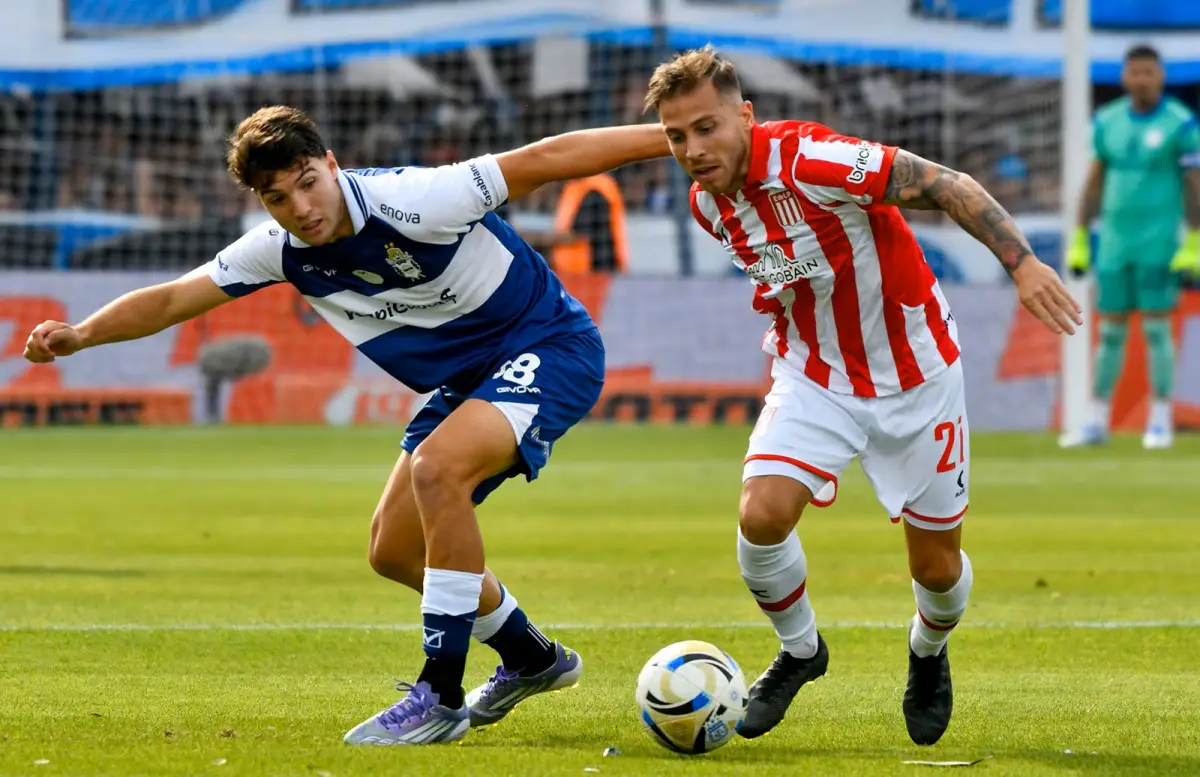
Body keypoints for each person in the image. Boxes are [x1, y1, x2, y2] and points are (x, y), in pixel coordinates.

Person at [22, 105, 669, 746]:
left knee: (437, 469)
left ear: (331, 166)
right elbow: (172, 297)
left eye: (308, 181)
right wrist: (81, 333)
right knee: (393, 548)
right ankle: (532, 657)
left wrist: (673, 138)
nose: (300, 206)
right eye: (278, 197)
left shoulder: (418, 198)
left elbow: (544, 160)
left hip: (550, 344)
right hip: (470, 377)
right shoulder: (280, 250)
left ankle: (439, 695)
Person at [643, 46, 1080, 746]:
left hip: (918, 375)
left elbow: (944, 182)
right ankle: (802, 650)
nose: (693, 149)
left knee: (935, 570)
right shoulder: (706, 205)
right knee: (761, 515)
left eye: (706, 127)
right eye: (676, 136)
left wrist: (1022, 264)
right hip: (815, 373)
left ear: (744, 115)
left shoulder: (815, 159)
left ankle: (928, 654)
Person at [1062, 43, 1200, 450]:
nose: (1142, 80)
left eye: (1149, 72)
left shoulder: (1181, 124)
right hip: (1115, 247)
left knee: (1158, 330)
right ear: (1124, 77)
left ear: (1161, 76)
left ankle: (1159, 420)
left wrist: (1193, 239)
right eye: (1135, 73)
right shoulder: (1107, 122)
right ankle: (1096, 421)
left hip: (1158, 244)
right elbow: (1094, 181)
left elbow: (1194, 185)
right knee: (1109, 336)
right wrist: (1081, 237)